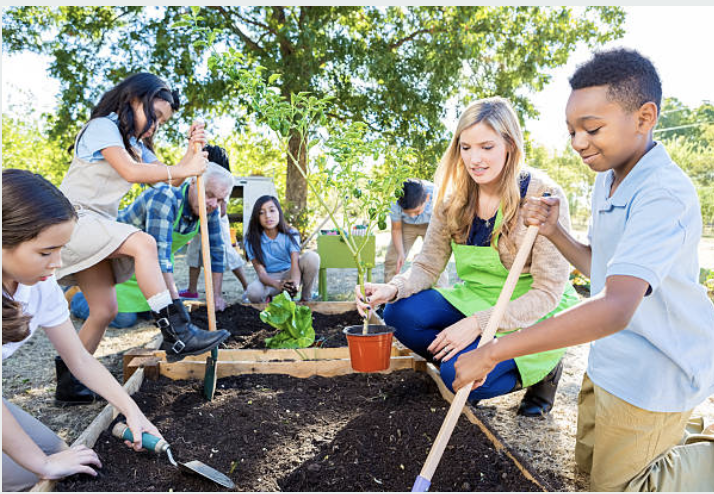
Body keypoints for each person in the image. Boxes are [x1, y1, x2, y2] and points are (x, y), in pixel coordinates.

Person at [452, 49, 714, 491]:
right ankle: (676, 438)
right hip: (611, 359)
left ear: (644, 117)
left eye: (592, 129)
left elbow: (615, 308)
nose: (577, 142)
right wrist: (556, 233)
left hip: (657, 369)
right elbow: (605, 270)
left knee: (624, 489)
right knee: (590, 475)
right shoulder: (608, 178)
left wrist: (494, 350)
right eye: (572, 130)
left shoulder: (662, 194)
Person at [356, 97, 579, 417]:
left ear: (510, 145)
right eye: (466, 147)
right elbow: (428, 264)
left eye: (487, 147)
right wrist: (392, 287)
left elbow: (547, 292)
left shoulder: (542, 196)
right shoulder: (453, 199)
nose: (475, 159)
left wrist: (479, 324)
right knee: (399, 313)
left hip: (532, 309)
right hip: (478, 296)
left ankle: (542, 371)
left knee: (453, 376)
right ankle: (466, 359)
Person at [55, 73, 229, 401]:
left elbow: (170, 180)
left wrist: (192, 154)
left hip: (99, 226)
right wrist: (181, 168)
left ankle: (69, 381)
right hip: (74, 220)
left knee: (105, 309)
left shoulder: (135, 144)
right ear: (134, 100)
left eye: (162, 122)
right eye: (155, 115)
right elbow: (132, 173)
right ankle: (177, 330)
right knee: (144, 242)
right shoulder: (102, 128)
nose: (154, 126)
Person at [2, 169, 163, 491]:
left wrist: (131, 411)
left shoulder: (38, 285)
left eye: (62, 249)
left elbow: (80, 359)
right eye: (46, 252)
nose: (57, 263)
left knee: (66, 460)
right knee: (39, 473)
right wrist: (42, 464)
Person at [70, 161, 235, 321]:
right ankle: (78, 297)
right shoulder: (165, 198)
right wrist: (175, 305)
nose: (214, 204)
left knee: (153, 314)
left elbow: (216, 252)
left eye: (221, 200)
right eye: (209, 194)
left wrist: (216, 296)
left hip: (148, 269)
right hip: (116, 261)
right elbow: (160, 255)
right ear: (193, 182)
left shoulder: (210, 209)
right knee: (123, 318)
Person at [180, 145, 249, 304]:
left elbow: (222, 210)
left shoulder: (224, 179)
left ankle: (247, 286)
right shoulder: (202, 176)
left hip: (215, 219)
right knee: (195, 251)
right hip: (199, 217)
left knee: (225, 251)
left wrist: (213, 207)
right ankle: (192, 290)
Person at [243, 195, 320, 303]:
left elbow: (295, 265)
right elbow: (261, 274)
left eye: (272, 210)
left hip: (290, 273)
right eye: (261, 212)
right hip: (270, 279)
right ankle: (269, 299)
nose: (268, 216)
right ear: (257, 216)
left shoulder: (291, 233)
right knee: (253, 292)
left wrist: (295, 284)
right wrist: (277, 284)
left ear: (279, 212)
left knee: (312, 257)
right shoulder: (251, 239)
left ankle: (305, 299)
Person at [384, 178, 448, 287]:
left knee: (437, 259)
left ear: (427, 198)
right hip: (405, 225)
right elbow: (396, 229)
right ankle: (388, 296)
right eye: (408, 212)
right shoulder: (395, 199)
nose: (413, 216)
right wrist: (400, 253)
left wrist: (426, 254)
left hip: (431, 224)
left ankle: (441, 293)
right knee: (393, 259)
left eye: (417, 211)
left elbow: (442, 226)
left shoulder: (438, 195)